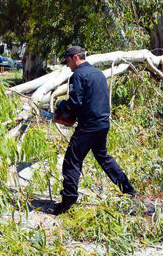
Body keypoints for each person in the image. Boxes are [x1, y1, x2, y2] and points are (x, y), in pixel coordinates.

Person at [53, 46, 136, 215]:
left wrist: (62, 105)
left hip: (89, 125)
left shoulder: (78, 75)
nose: (68, 65)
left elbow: (75, 103)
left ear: (75, 57)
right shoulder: (98, 73)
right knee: (104, 157)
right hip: (103, 123)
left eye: (68, 61)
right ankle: (128, 190)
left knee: (71, 160)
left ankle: (68, 200)